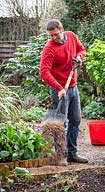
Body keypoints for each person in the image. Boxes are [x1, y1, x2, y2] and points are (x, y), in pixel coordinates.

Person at [40, 19, 88, 165]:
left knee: (76, 120)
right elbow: (44, 72)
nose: (53, 38)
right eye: (51, 35)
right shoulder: (49, 48)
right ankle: (61, 155)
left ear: (62, 30)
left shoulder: (71, 36)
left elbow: (82, 49)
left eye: (55, 34)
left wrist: (79, 57)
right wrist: (59, 88)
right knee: (60, 124)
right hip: (59, 90)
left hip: (73, 86)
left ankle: (72, 153)